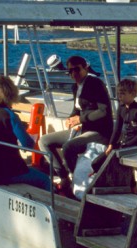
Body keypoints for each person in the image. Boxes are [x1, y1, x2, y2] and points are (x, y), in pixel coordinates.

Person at [37, 55, 113, 190]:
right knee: (44, 141)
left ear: (85, 68)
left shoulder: (95, 84)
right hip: (83, 129)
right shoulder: (75, 88)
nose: (73, 74)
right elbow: (77, 109)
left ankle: (76, 180)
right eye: (70, 71)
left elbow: (104, 111)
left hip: (99, 131)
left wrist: (80, 119)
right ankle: (63, 176)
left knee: (68, 147)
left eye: (76, 70)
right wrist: (71, 118)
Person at [0, 75, 51, 189]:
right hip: (8, 172)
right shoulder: (9, 115)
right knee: (45, 180)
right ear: (9, 94)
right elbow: (28, 144)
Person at [104, 79, 137, 157]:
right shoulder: (121, 108)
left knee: (112, 161)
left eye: (123, 94)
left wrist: (124, 145)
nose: (119, 96)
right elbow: (117, 130)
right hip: (124, 144)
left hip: (136, 147)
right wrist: (111, 144)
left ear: (133, 94)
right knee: (97, 162)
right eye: (118, 93)